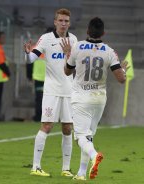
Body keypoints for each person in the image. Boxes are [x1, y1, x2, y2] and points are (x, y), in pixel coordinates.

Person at [62, 17, 127, 180]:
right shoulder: (109, 51)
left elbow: (67, 72)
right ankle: (81, 173)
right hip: (99, 99)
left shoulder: (77, 47)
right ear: (103, 33)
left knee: (80, 137)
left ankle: (94, 155)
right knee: (88, 136)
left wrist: (67, 55)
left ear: (87, 31)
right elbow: (121, 79)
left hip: (81, 98)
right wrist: (123, 70)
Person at [24, 8, 77, 177]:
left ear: (69, 23)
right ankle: (36, 166)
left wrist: (70, 54)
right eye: (60, 20)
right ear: (55, 22)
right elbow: (32, 58)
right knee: (46, 126)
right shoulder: (46, 39)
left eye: (66, 21)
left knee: (68, 128)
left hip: (69, 91)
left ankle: (66, 169)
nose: (63, 24)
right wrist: (27, 53)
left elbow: (75, 65)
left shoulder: (74, 39)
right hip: (52, 91)